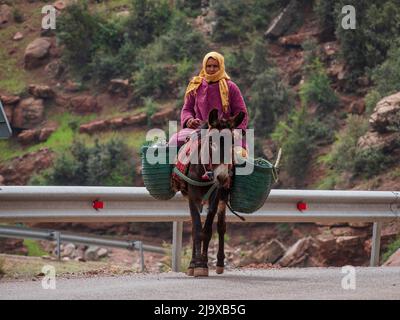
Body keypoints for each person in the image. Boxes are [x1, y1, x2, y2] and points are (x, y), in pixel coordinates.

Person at [169, 51, 249, 157]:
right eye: (208, 66)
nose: (211, 69)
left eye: (215, 66)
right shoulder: (196, 85)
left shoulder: (231, 87)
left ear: (221, 66)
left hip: (226, 131)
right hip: (199, 130)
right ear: (204, 66)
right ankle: (171, 173)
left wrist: (238, 130)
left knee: (241, 155)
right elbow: (187, 108)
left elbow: (241, 112)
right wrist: (189, 120)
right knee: (174, 142)